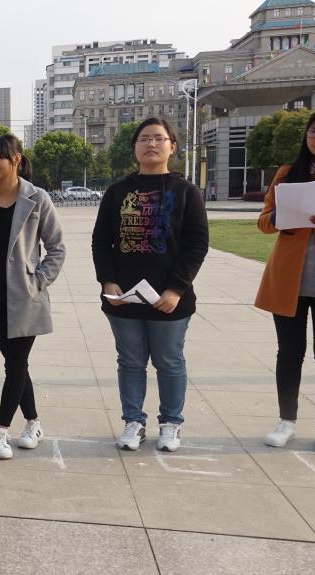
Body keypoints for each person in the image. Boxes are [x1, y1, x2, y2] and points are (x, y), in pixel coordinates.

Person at [92, 117, 208, 453]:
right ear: (134, 148)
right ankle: (133, 421)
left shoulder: (186, 192)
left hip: (169, 299)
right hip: (124, 299)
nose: (151, 144)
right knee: (130, 362)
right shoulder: (118, 192)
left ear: (172, 145)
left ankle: (170, 423)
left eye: (159, 138)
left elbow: (196, 245)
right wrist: (108, 282)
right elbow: (101, 242)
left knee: (169, 362)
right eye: (144, 139)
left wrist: (176, 289)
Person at [0, 134, 65, 460]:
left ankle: (0, 430)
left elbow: (57, 247)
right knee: (15, 364)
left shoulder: (37, 198)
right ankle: (33, 422)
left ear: (16, 159)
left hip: (24, 298)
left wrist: (39, 281)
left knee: (16, 364)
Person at [255, 108, 315, 451]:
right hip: (288, 280)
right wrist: (283, 215)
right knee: (290, 352)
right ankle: (287, 421)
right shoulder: (287, 173)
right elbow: (264, 222)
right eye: (314, 132)